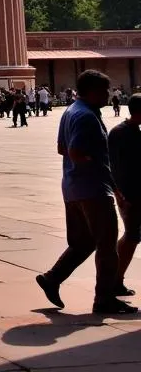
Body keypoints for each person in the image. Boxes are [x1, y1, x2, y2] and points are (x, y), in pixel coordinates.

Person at [36, 69, 137, 315]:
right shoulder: (87, 117)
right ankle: (104, 299)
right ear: (93, 91)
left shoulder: (71, 111)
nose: (108, 94)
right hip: (93, 190)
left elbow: (61, 148)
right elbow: (75, 152)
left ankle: (52, 278)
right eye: (105, 90)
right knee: (107, 245)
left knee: (84, 242)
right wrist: (106, 178)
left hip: (72, 188)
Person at [109, 93, 141, 297]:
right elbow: (111, 166)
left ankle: (115, 280)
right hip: (130, 194)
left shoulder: (136, 132)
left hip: (137, 192)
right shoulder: (120, 133)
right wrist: (119, 194)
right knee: (131, 236)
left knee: (132, 236)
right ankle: (114, 279)